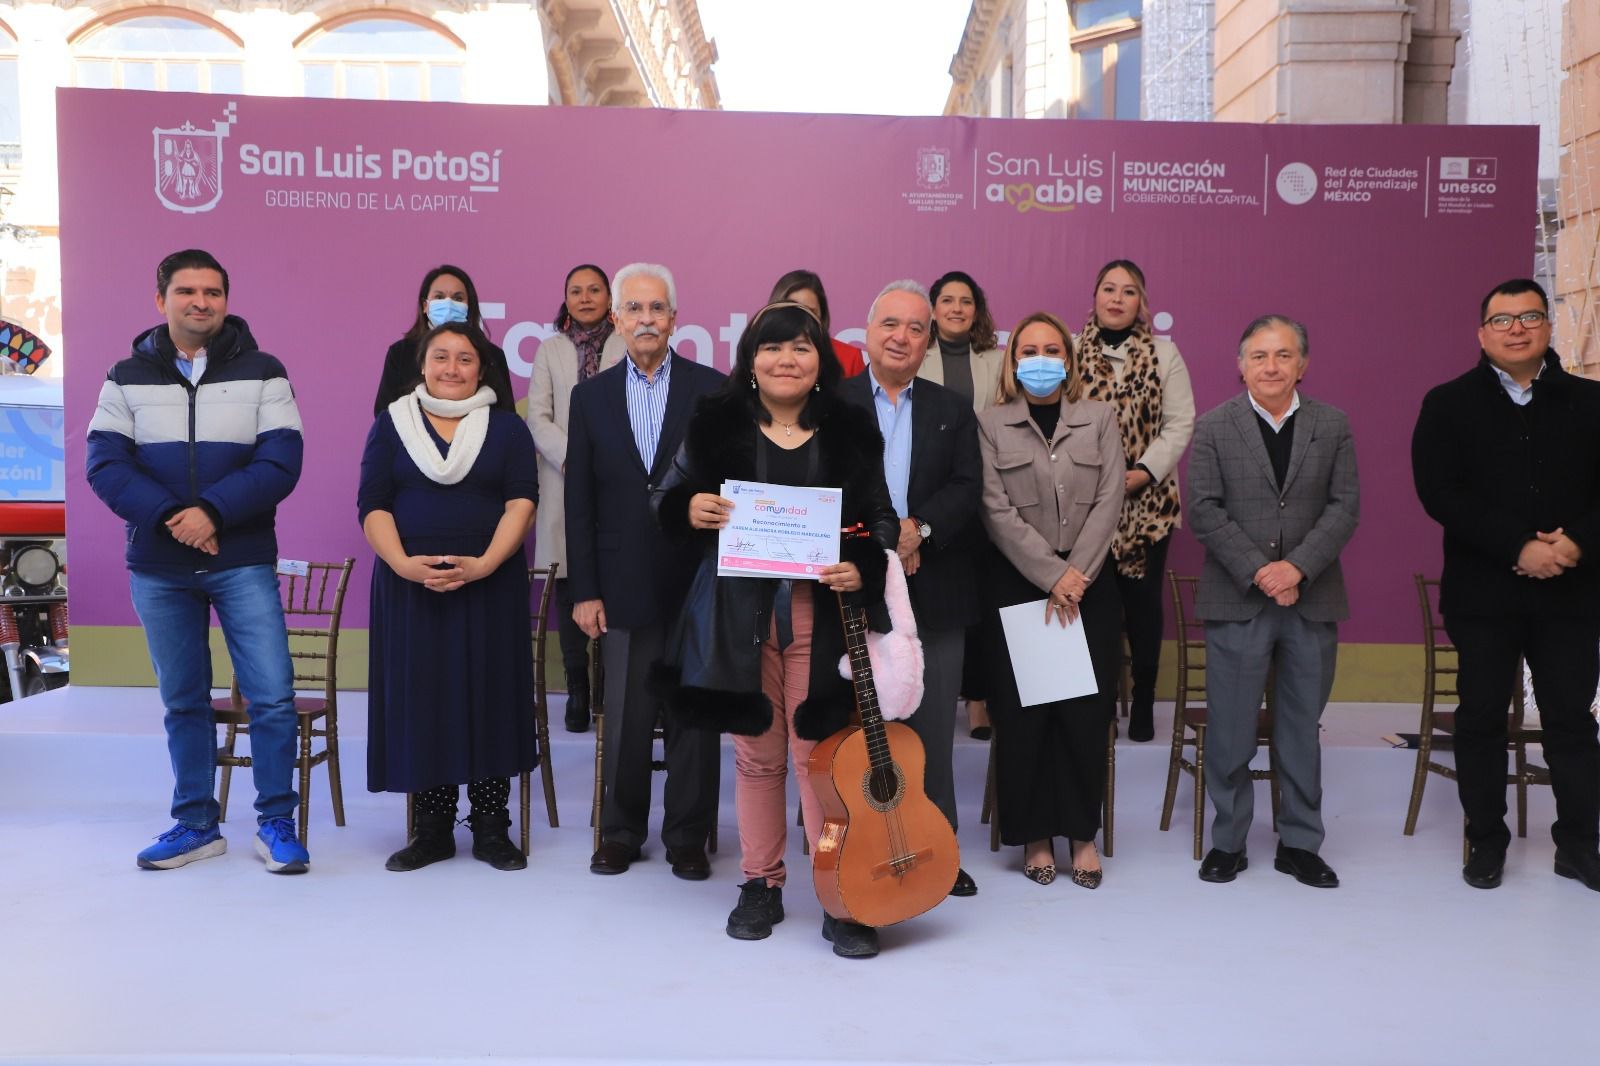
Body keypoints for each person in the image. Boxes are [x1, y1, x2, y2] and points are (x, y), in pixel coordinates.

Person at [651, 299, 899, 958]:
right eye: (771, 348)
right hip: (738, 617)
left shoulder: (849, 427)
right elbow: (663, 502)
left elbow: (881, 516)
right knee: (757, 757)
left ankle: (837, 892)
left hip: (821, 616)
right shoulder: (715, 424)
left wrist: (862, 565)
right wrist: (690, 506)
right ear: (750, 361)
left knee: (819, 761)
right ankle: (761, 882)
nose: (785, 359)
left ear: (821, 363)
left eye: (800, 348)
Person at [86, 248, 309, 874]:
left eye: (213, 292)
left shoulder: (266, 370)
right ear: (161, 300)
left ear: (226, 301)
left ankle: (276, 823)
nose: (201, 302)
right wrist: (171, 518)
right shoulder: (124, 375)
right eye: (187, 291)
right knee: (183, 701)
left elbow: (281, 461)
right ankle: (195, 826)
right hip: (159, 566)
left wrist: (211, 511)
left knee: (271, 697)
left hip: (241, 560)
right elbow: (104, 464)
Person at [1412, 278, 1600, 892]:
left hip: (1572, 593)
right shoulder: (1447, 403)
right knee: (1483, 719)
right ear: (1481, 333)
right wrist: (1518, 546)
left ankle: (1577, 844)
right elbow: (1440, 492)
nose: (1516, 328)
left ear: (1548, 327)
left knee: (1572, 721)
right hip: (1484, 595)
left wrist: (1574, 542)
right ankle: (1485, 841)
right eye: (1502, 319)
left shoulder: (1591, 401)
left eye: (1529, 316)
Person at [1187, 315, 1359, 888]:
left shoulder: (1332, 425)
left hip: (1311, 600)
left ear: (1302, 365)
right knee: (1231, 730)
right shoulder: (1214, 427)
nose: (1271, 366)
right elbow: (1205, 510)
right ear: (1240, 366)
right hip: (1239, 598)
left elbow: (1344, 508)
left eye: (1283, 355)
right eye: (1259, 356)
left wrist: (1297, 568)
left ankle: (1301, 844)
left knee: (1300, 730)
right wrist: (1262, 571)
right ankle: (1229, 842)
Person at [360, 321, 538, 873]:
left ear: (482, 369)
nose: (452, 368)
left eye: (465, 359)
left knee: (490, 696)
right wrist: (403, 565)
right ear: (422, 364)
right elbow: (373, 504)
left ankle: (491, 829)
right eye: (441, 357)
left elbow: (521, 504)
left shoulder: (507, 430)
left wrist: (485, 563)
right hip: (410, 585)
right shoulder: (392, 426)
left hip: (490, 582)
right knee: (424, 699)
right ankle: (431, 830)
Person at [565, 262, 724, 880]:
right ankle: (621, 833)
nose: (646, 319)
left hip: (696, 580)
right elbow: (579, 500)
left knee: (692, 714)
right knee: (627, 717)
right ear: (616, 319)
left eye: (657, 309)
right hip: (621, 580)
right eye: (634, 309)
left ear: (675, 320)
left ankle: (687, 836)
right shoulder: (590, 397)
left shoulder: (711, 389)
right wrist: (585, 590)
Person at [839, 280, 983, 898]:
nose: (901, 336)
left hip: (936, 589)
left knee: (930, 731)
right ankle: (847, 843)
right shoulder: (830, 404)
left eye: (916, 328)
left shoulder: (952, 408)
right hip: (848, 586)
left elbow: (966, 487)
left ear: (930, 340)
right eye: (889, 325)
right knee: (847, 725)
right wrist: (878, 541)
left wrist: (917, 530)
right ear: (867, 334)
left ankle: (938, 848)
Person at [977, 312, 1123, 889]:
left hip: (1088, 586)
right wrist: (1050, 575)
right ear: (1014, 362)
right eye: (1029, 350)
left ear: (1069, 357)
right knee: (1027, 718)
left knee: (1084, 718)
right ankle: (1036, 836)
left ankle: (1082, 835)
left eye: (1051, 349)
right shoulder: (990, 425)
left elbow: (1111, 497)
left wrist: (1075, 574)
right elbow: (995, 510)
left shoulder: (1099, 418)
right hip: (1020, 585)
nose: (1041, 359)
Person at [1074, 259, 1195, 742]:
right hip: (1085, 505)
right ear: (1096, 296)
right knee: (1094, 607)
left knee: (1142, 608)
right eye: (1109, 288)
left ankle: (1143, 698)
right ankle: (1099, 701)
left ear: (1141, 302)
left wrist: (1142, 472)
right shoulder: (1071, 352)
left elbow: (1179, 423)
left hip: (1149, 506)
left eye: (1128, 291)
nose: (1117, 298)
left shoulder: (1165, 354)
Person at [527, 263, 626, 733]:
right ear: (564, 299)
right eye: (575, 291)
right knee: (568, 582)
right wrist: (574, 457)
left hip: (619, 481)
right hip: (564, 478)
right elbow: (538, 416)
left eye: (594, 290)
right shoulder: (550, 350)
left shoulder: (628, 345)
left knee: (612, 581)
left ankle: (608, 682)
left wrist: (606, 461)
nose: (585, 298)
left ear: (610, 296)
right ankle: (576, 685)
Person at [918, 270, 1006, 741]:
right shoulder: (916, 355)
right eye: (947, 300)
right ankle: (928, 697)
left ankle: (976, 700)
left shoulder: (995, 360)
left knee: (979, 601)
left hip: (984, 495)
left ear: (977, 310)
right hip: (931, 498)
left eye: (965, 301)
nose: (956, 308)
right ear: (931, 309)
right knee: (938, 598)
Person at [373, 264, 513, 416]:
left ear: (469, 306)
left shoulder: (492, 355)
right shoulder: (400, 353)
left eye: (457, 298)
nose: (448, 304)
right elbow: (384, 412)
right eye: (439, 297)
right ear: (425, 306)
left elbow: (506, 414)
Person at [768, 269, 866, 377]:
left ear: (822, 316)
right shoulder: (759, 352)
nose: (801, 318)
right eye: (793, 310)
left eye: (810, 312)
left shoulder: (849, 357)